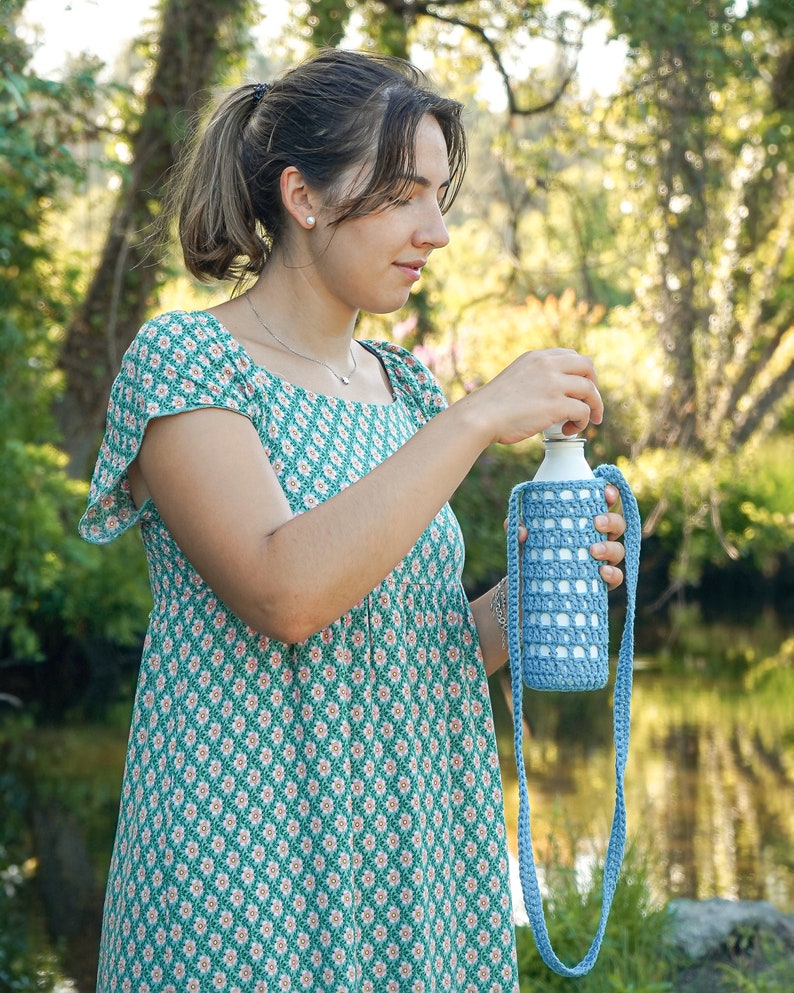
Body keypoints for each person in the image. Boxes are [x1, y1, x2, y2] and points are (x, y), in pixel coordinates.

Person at [79, 48, 626, 993]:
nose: (437, 230)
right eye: (405, 195)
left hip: (411, 851)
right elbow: (285, 591)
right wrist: (479, 416)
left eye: (438, 196)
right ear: (304, 197)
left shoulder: (407, 389)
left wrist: (530, 590)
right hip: (247, 857)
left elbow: (419, 637)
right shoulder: (188, 361)